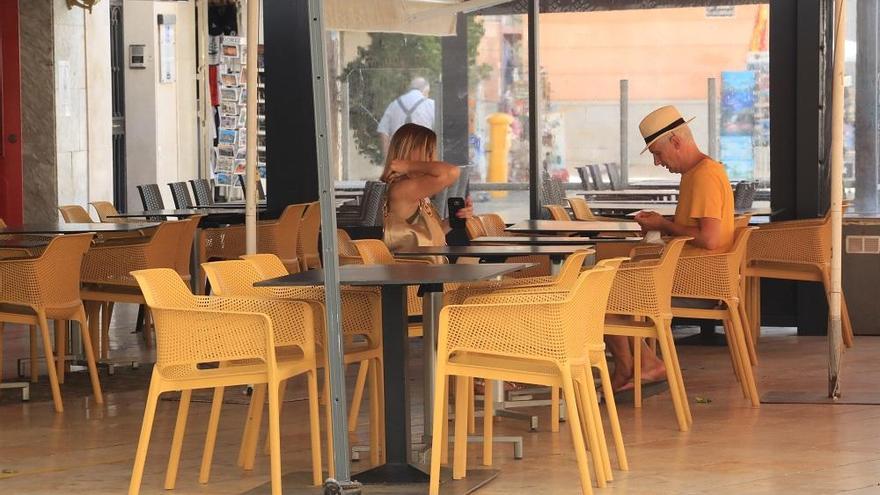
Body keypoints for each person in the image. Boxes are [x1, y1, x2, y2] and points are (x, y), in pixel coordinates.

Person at [607, 105, 735, 392]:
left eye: (657, 153)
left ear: (676, 142)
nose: (657, 162)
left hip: (698, 285)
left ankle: (637, 366)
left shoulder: (704, 175)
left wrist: (664, 224)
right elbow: (696, 231)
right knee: (611, 286)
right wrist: (662, 225)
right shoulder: (698, 173)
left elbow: (709, 239)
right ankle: (638, 366)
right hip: (694, 276)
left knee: (602, 293)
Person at [381, 123, 472, 256]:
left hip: (426, 269)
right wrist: (409, 165)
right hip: (413, 272)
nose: (432, 160)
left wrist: (453, 221)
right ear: (409, 151)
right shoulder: (402, 189)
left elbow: (428, 235)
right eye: (429, 153)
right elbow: (452, 172)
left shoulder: (416, 192)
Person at [377, 77, 436, 156]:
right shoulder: (432, 105)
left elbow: (383, 131)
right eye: (428, 93)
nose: (427, 96)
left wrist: (387, 158)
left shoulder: (394, 104)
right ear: (425, 90)